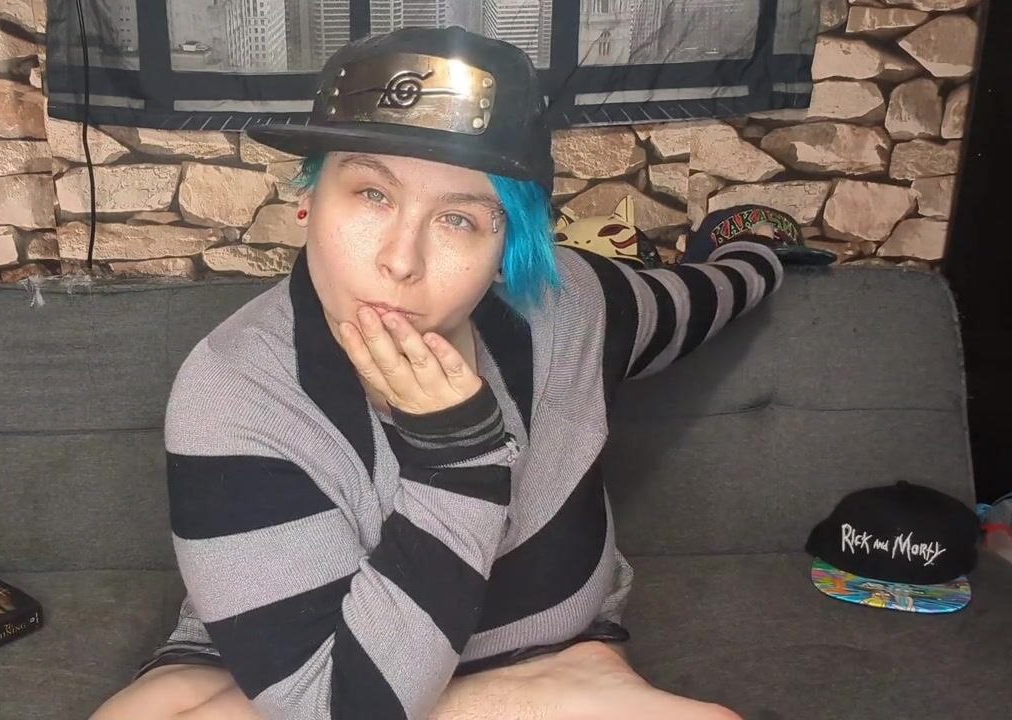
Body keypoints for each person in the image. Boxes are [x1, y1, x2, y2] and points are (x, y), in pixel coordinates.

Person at [93, 25, 782, 720]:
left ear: (506, 245)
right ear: (307, 202)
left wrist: (754, 247)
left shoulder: (574, 304)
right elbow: (330, 705)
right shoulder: (234, 388)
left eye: (458, 219)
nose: (401, 260)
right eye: (372, 194)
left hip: (530, 647)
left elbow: (711, 294)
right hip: (288, 659)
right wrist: (460, 457)